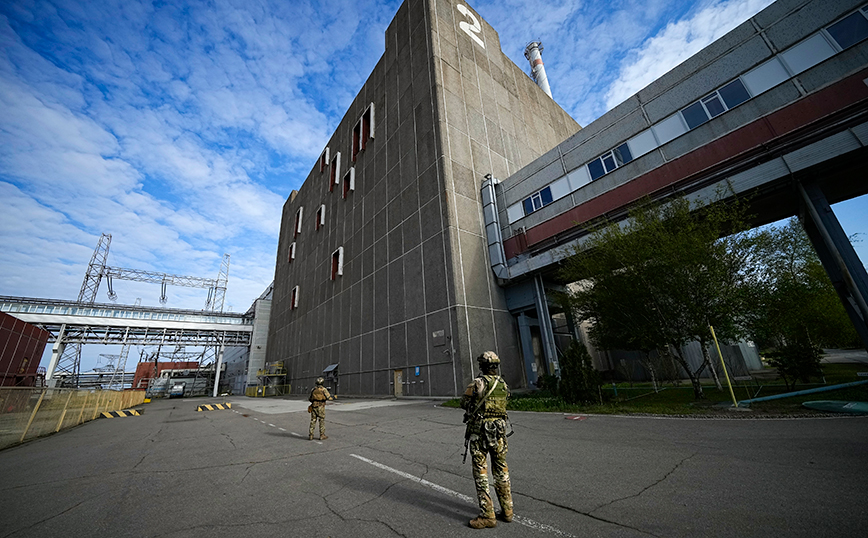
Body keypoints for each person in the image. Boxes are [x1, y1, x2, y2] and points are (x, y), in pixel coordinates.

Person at [460, 351, 513, 529]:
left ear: (482, 366)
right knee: (501, 470)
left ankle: (487, 515)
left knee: (481, 473)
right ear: (496, 366)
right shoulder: (504, 384)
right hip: (499, 433)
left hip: (480, 434)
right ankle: (507, 511)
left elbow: (464, 403)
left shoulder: (477, 383)